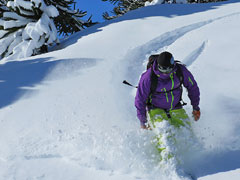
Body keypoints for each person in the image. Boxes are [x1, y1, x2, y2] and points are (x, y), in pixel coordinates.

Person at [135, 51, 200, 162]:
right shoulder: (148, 77)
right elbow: (140, 99)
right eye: (163, 69)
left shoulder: (180, 71)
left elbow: (192, 87)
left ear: (173, 65)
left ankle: (194, 160)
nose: (166, 72)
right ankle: (169, 165)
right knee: (164, 135)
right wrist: (143, 121)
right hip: (155, 109)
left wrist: (195, 107)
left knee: (187, 132)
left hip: (175, 106)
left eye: (169, 69)